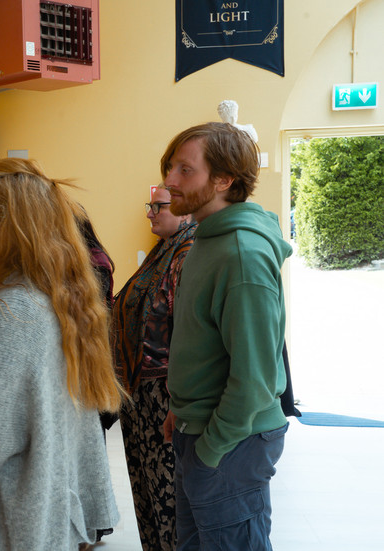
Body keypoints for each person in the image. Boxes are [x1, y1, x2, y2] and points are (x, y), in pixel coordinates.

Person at [0, 158, 125, 550]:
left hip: (0, 530)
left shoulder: (11, 315)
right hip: (37, 523)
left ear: (13, 229)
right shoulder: (54, 300)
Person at [161, 122, 291, 550]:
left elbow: (254, 380)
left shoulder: (241, 255)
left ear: (223, 180)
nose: (170, 180)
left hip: (231, 443)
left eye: (185, 170)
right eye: (171, 168)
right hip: (200, 431)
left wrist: (210, 450)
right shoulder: (207, 237)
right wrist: (184, 409)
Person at [112, 184, 196, 551]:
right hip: (141, 394)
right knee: (146, 495)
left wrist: (179, 399)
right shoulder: (164, 250)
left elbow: (189, 331)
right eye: (151, 205)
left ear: (185, 210)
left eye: (158, 206)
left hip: (166, 397)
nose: (150, 212)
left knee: (168, 501)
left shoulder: (189, 252)